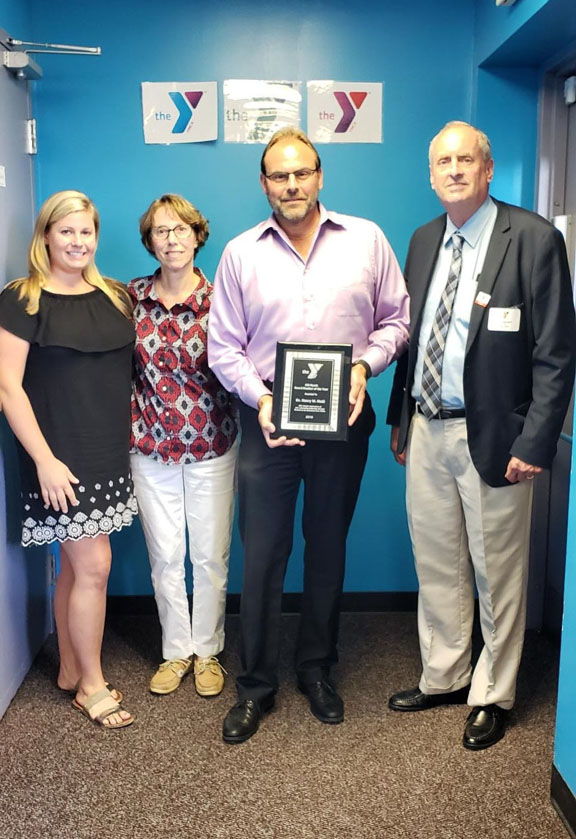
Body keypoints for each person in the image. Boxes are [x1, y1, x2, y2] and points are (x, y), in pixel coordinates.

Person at [208, 127, 409, 743]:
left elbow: (397, 321)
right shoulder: (240, 253)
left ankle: (317, 668)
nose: (291, 184)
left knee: (327, 545)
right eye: (279, 175)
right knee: (264, 553)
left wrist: (364, 367)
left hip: (343, 415)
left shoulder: (367, 240)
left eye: (302, 173)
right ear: (264, 183)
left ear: (320, 176)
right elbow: (224, 347)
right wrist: (263, 399)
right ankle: (256, 685)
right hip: (267, 417)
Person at [387, 121, 576, 749]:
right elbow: (414, 336)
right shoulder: (422, 240)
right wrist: (399, 418)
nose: (454, 170)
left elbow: (557, 354)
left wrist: (536, 441)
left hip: (495, 435)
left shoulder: (534, 239)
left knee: (497, 570)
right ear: (431, 174)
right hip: (426, 426)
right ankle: (445, 674)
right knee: (436, 560)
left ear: (487, 169)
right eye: (443, 162)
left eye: (465, 160)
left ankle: (493, 692)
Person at [0, 190, 137, 729]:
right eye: (67, 231)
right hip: (57, 456)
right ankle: (92, 686)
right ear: (46, 236)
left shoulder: (115, 297)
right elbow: (8, 387)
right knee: (95, 566)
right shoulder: (22, 299)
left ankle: (69, 671)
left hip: (108, 452)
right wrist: (44, 460)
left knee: (77, 567)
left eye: (86, 231)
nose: (78, 242)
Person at [130, 194, 237, 698]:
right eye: (160, 231)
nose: (171, 239)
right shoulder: (131, 298)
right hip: (149, 447)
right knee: (165, 556)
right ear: (149, 241)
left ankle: (208, 650)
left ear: (197, 236)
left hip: (213, 446)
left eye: (180, 229)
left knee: (210, 556)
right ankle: (176, 651)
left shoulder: (222, 299)